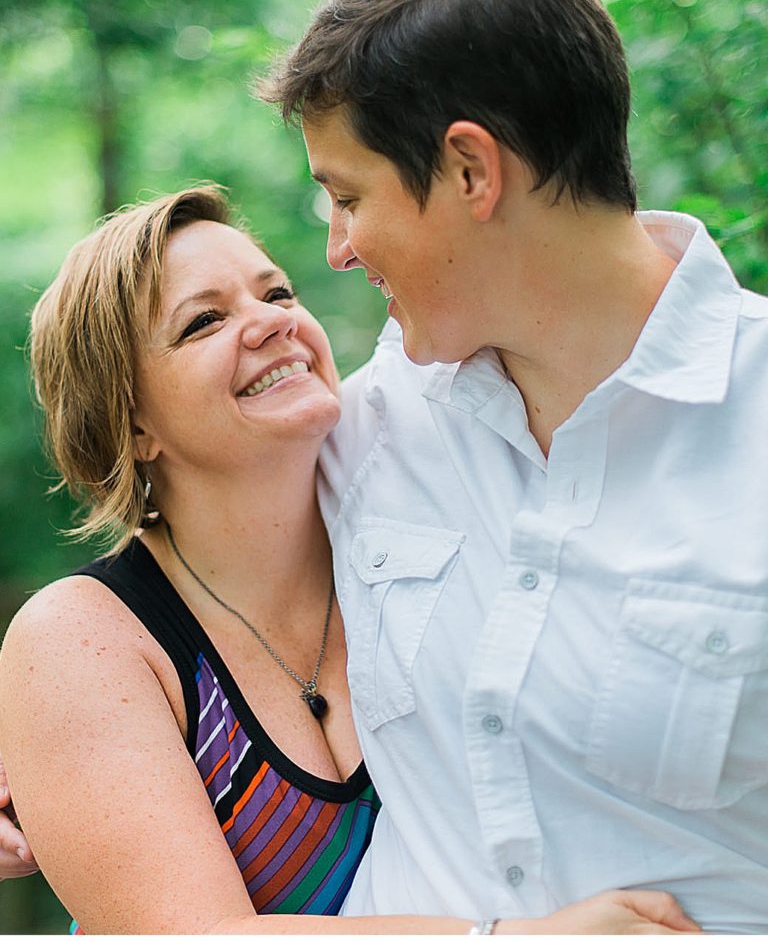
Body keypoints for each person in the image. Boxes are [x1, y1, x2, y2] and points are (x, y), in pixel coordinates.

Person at [0, 185, 696, 935]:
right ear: (129, 424)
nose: (274, 322)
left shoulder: (420, 506)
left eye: (278, 292)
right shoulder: (83, 638)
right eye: (205, 321)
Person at [255, 0, 768, 935]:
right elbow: (187, 585)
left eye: (350, 197)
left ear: (469, 172)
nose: (339, 248)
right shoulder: (362, 426)